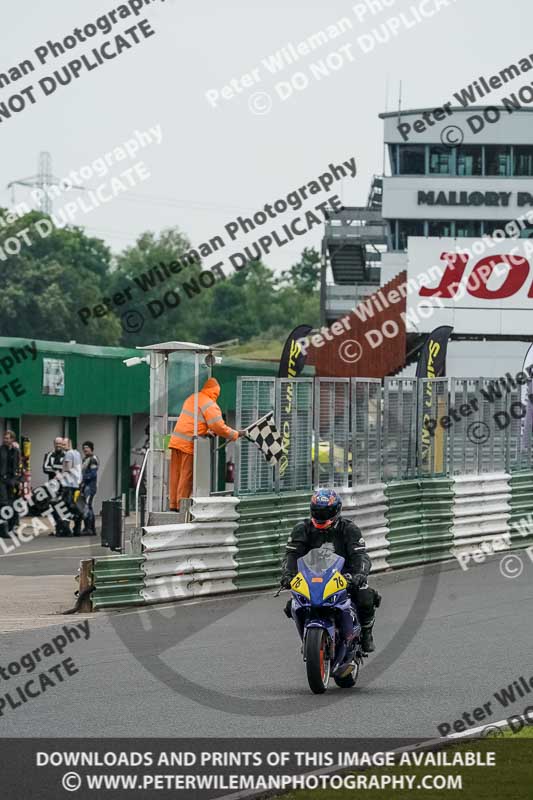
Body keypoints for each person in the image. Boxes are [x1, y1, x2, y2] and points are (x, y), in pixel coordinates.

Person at [280, 488, 381, 653]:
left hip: (344, 575)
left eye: (325, 512)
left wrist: (360, 574)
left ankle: (366, 633)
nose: (321, 516)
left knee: (365, 596)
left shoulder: (349, 529)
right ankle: (308, 637)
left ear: (336, 511)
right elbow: (292, 555)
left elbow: (360, 556)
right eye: (317, 511)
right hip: (312, 575)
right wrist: (288, 574)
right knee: (293, 604)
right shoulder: (302, 529)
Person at [168, 377, 245, 511]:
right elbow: (218, 426)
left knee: (175, 474)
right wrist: (235, 434)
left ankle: (173, 504)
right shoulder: (209, 404)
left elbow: (193, 421)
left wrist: (204, 431)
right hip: (189, 443)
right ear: (216, 392)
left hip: (176, 441)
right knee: (186, 476)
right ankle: (181, 506)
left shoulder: (193, 398)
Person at [60, 438, 83, 537]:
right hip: (76, 484)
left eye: (64, 444)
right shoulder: (77, 453)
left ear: (69, 444)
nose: (62, 446)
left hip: (68, 484)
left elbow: (68, 468)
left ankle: (66, 530)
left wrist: (61, 475)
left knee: (66, 507)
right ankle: (77, 529)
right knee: (75, 505)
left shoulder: (68, 454)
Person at [0, 430, 21, 539]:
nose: (5, 440)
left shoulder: (16, 451)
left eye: (8, 438)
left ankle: (11, 528)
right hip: (1, 480)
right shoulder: (0, 450)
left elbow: (18, 466)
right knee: (3, 503)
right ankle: (3, 529)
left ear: (13, 439)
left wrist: (18, 481)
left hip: (12, 480)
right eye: (5, 438)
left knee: (12, 504)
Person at [80, 441, 99, 535]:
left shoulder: (93, 459)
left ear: (91, 448)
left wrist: (82, 478)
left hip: (90, 486)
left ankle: (89, 528)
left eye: (87, 447)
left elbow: (93, 474)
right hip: (85, 486)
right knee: (87, 506)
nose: (85, 449)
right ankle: (90, 528)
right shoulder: (85, 459)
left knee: (87, 506)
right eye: (84, 448)